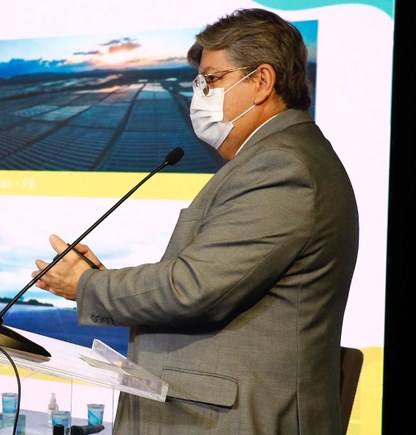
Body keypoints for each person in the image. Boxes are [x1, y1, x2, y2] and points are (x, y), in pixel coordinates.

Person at [32, 8, 358, 434]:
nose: (199, 94)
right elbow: (214, 281)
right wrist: (101, 281)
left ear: (262, 81)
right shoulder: (275, 158)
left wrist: (87, 286)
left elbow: (194, 288)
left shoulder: (282, 166)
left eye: (211, 80)